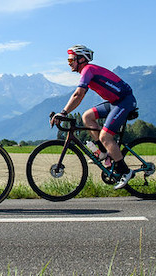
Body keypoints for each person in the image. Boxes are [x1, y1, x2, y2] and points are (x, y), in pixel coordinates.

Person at [51, 45, 137, 190]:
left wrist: (63, 112)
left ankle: (125, 171)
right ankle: (104, 152)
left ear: (81, 59)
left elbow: (78, 95)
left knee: (106, 136)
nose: (69, 63)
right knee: (87, 116)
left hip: (125, 101)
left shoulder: (87, 70)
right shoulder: (87, 71)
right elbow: (79, 96)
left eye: (71, 60)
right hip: (114, 102)